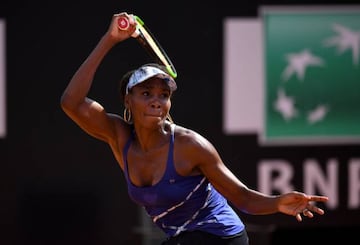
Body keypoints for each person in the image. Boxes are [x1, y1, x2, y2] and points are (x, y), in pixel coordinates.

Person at [60, 12, 329, 245]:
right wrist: (111, 39)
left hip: (220, 237)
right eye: (146, 93)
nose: (157, 101)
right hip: (182, 238)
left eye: (163, 95)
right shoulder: (118, 136)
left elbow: (243, 198)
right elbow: (71, 102)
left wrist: (277, 202)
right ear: (127, 99)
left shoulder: (190, 146)